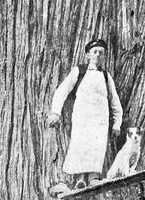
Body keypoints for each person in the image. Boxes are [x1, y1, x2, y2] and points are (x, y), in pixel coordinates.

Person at [47, 38, 123, 190]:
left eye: (101, 53)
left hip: (100, 119)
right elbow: (62, 91)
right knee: (80, 144)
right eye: (95, 52)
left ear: (104, 56)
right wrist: (55, 112)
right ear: (88, 55)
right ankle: (80, 179)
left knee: (97, 146)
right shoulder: (79, 71)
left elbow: (115, 101)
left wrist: (117, 123)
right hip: (82, 117)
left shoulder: (106, 76)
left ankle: (94, 178)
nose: (98, 55)